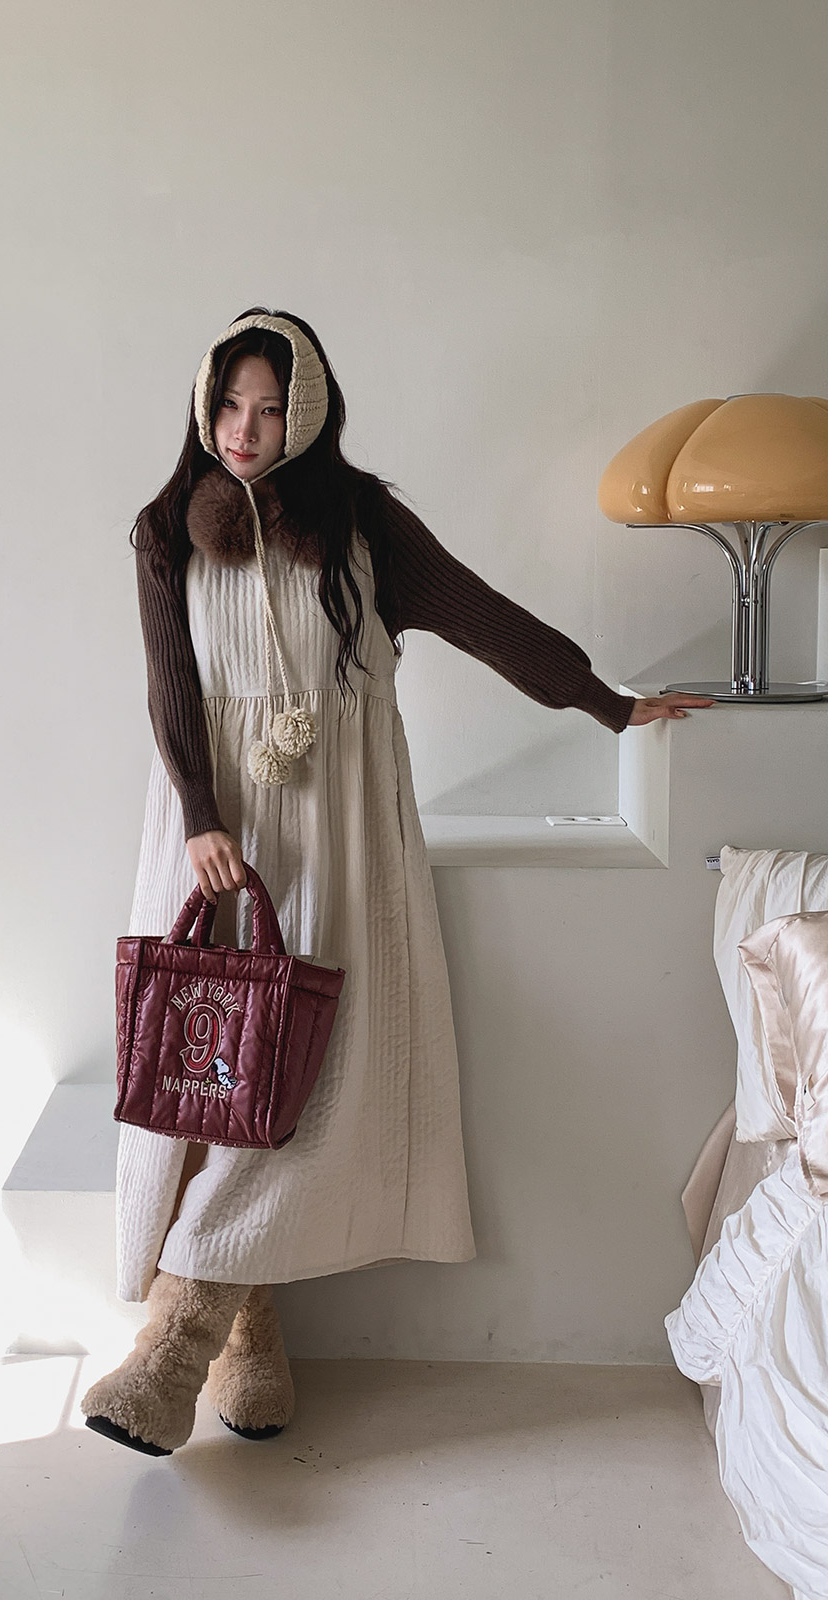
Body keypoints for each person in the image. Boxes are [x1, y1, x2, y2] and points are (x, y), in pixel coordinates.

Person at [81, 308, 714, 1456]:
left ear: (305, 414)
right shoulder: (165, 528)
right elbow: (170, 687)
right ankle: (239, 1331)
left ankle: (185, 1341)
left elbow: (484, 619)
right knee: (208, 1073)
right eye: (229, 404)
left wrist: (609, 703)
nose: (244, 429)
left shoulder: (363, 525)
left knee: (302, 1074)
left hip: (339, 834)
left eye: (269, 409)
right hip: (214, 838)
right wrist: (203, 816)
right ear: (204, 404)